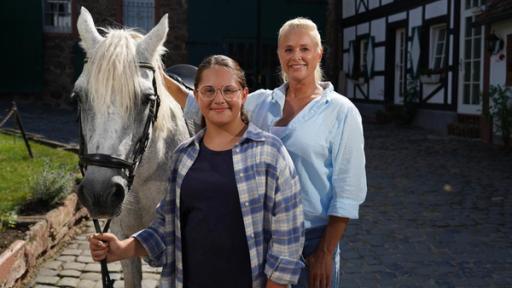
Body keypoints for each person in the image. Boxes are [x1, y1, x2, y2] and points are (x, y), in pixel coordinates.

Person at [165, 17, 367, 288]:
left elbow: (348, 191)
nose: (296, 56)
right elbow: (200, 103)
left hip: (312, 242)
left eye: (305, 49)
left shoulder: (341, 112)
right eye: (288, 49)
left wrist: (326, 252)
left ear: (319, 54)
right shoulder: (261, 102)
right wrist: (154, 72)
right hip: (257, 239)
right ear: (279, 55)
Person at [88, 55, 305, 288]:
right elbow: (165, 227)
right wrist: (123, 248)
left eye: (229, 90)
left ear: (244, 95)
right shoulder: (183, 156)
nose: (219, 99)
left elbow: (288, 240)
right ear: (196, 97)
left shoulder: (270, 153)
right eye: (209, 91)